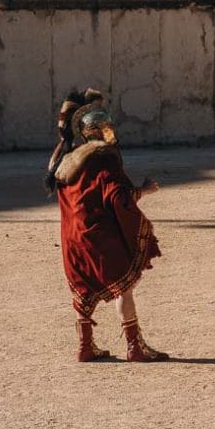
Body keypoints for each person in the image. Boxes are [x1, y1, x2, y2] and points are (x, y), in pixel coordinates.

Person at [46, 90, 169, 363]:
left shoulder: (65, 159)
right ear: (101, 129)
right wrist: (144, 190)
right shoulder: (104, 158)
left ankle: (85, 346)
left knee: (82, 290)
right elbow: (117, 197)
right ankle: (134, 346)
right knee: (123, 287)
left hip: (72, 238)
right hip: (100, 236)